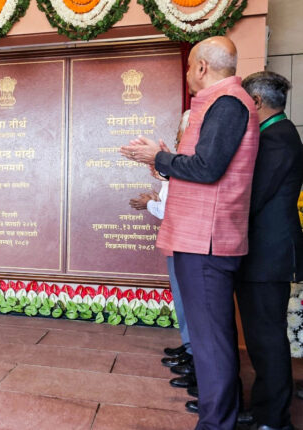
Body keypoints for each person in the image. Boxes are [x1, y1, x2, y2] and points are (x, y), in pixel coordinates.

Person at [121, 36, 259, 429]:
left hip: (206, 239)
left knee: (210, 342)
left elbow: (208, 168)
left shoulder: (227, 103)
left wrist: (160, 157)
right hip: (200, 236)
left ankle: (217, 423)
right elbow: (202, 167)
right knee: (209, 338)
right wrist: (163, 161)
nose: (187, 74)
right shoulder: (222, 103)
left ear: (201, 67)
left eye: (188, 66)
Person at [235, 71, 302, 430]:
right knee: (262, 339)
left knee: (267, 340)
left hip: (267, 256)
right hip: (263, 255)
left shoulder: (277, 138)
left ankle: (274, 420)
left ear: (257, 102)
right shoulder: (276, 134)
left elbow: (253, 196)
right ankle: (265, 411)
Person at [129, 111, 195, 389]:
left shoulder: (190, 162)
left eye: (182, 128)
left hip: (185, 242)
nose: (179, 134)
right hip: (175, 240)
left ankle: (193, 353)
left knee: (189, 301)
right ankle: (189, 347)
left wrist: (150, 204)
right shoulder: (181, 161)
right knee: (182, 300)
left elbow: (174, 209)